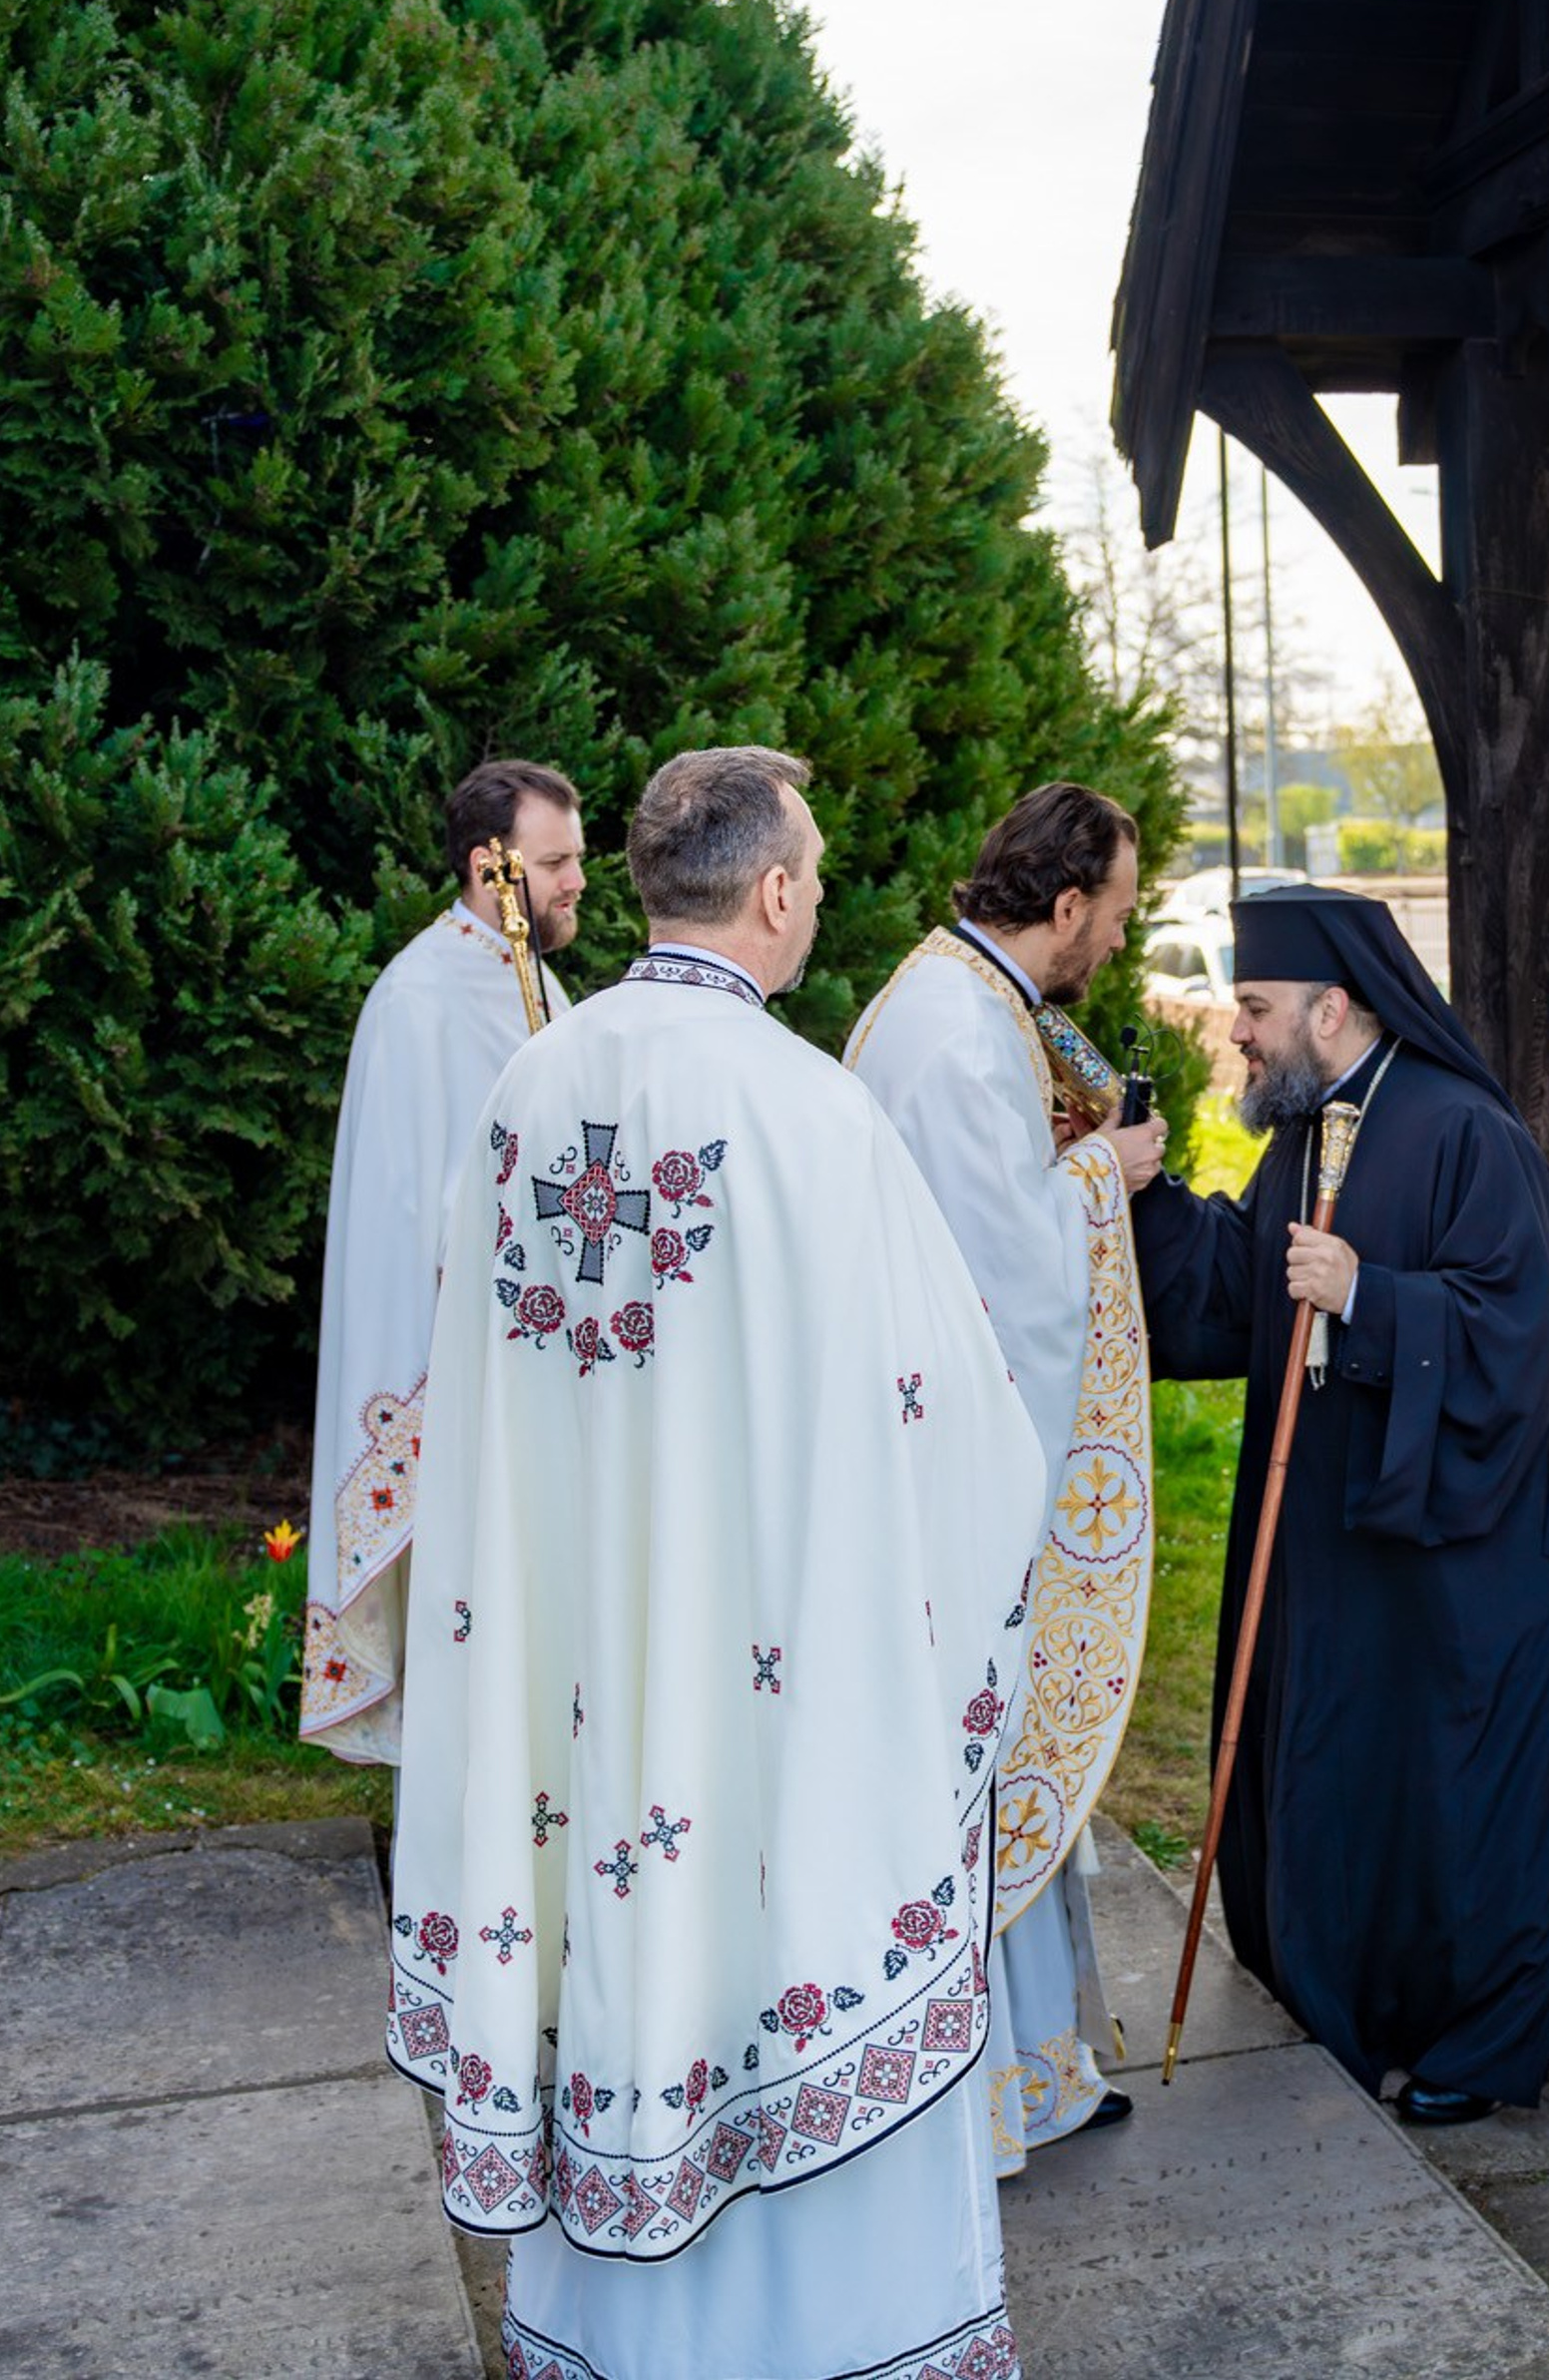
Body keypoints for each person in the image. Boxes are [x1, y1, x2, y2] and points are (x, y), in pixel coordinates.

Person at [386, 746, 1048, 2380]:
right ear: (773, 891)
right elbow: (946, 1419)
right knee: (778, 1906)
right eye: (811, 875)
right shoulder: (810, 1112)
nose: (813, 899)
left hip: (574, 1672)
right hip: (760, 1682)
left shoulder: (529, 1090)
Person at [1129, 884, 1549, 2126]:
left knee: (1466, 1798)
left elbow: (1515, 1337)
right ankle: (1358, 2006)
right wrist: (1145, 1199)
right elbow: (1240, 1297)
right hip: (1352, 1537)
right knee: (1354, 1777)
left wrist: (1372, 1296)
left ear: (1331, 1007)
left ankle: (1482, 2045)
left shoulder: (1466, 1131)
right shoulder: (1311, 1131)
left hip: (1479, 1552)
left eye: (1255, 1007)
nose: (1236, 1032)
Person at [844, 781, 1166, 2172]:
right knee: (984, 1752)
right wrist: (1109, 1175)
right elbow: (1001, 1277)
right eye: (1119, 911)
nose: (1121, 938)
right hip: (958, 1474)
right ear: (1068, 901)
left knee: (1002, 1758)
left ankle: (1038, 2070)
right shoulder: (958, 1028)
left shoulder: (965, 1001)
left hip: (937, 1462)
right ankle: (983, 2093)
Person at [300, 758, 584, 1761]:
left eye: (576, 860)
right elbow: (415, 1214)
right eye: (553, 863)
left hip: (532, 1357)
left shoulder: (530, 978)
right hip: (456, 1367)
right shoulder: (420, 998)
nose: (575, 883)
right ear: (487, 865)